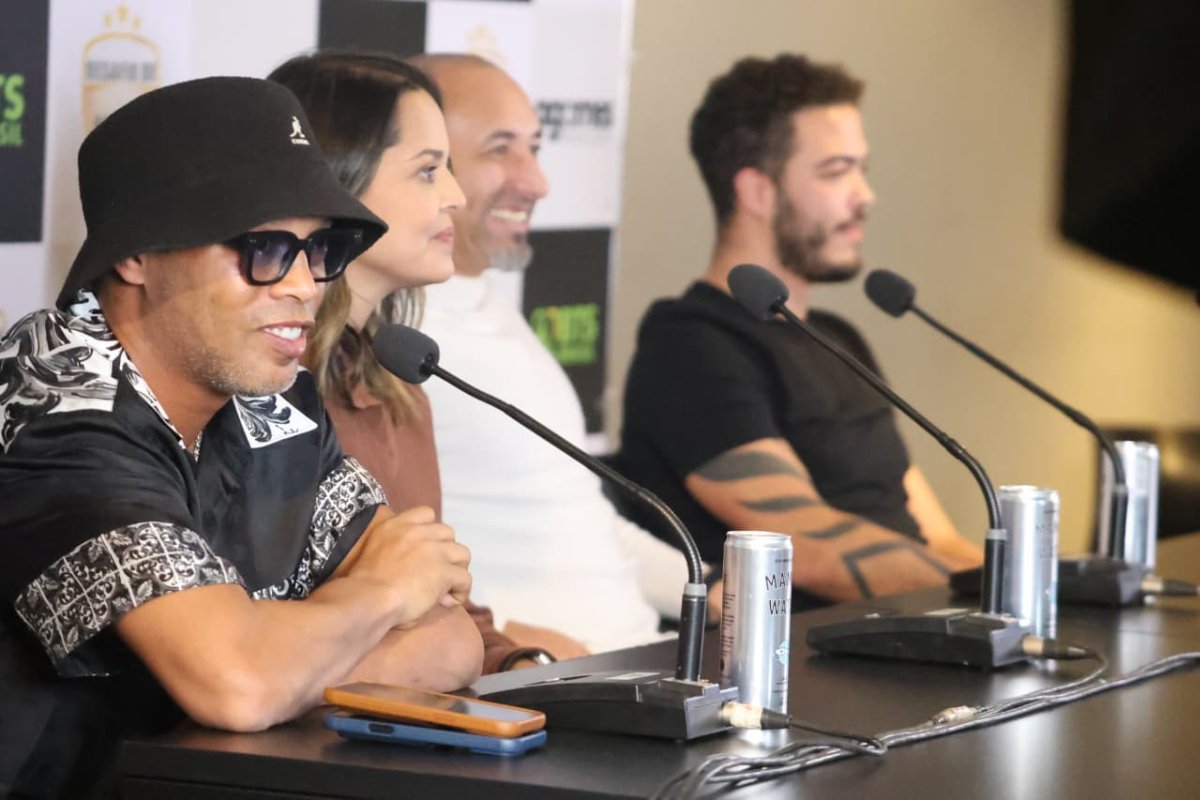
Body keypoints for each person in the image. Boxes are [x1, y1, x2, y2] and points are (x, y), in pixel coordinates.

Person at [0, 77, 483, 798]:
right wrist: (380, 594)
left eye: (319, 250)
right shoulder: (57, 409)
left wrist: (279, 653)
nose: (304, 285)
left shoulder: (274, 396)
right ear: (136, 254)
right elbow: (241, 688)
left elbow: (450, 641)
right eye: (264, 249)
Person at [619, 54, 983, 609]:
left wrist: (1028, 597)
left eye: (862, 169)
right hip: (816, 664)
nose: (865, 196)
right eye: (837, 172)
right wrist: (984, 596)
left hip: (921, 627)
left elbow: (935, 535)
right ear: (757, 192)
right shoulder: (689, 345)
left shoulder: (837, 336)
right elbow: (810, 548)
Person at [268, 51, 557, 671]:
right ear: (337, 183)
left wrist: (522, 670)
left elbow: (447, 603)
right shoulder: (255, 391)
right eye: (428, 172)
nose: (454, 197)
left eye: (450, 169)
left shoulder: (397, 388)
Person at [409, 53, 699, 655]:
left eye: (535, 149)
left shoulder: (490, 303)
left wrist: (712, 592)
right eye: (500, 149)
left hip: (636, 665)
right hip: (531, 690)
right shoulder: (388, 338)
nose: (537, 181)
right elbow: (374, 553)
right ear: (428, 165)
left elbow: (582, 518)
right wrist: (513, 643)